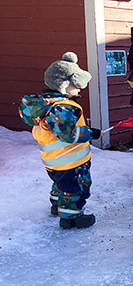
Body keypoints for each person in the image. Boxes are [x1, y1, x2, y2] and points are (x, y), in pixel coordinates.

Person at [19, 52, 102, 229]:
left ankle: (56, 205)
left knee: (60, 184)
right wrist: (91, 133)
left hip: (53, 161)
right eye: (75, 85)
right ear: (64, 86)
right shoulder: (63, 108)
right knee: (76, 189)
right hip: (71, 162)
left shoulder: (44, 105)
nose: (80, 88)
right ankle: (71, 218)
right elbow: (68, 134)